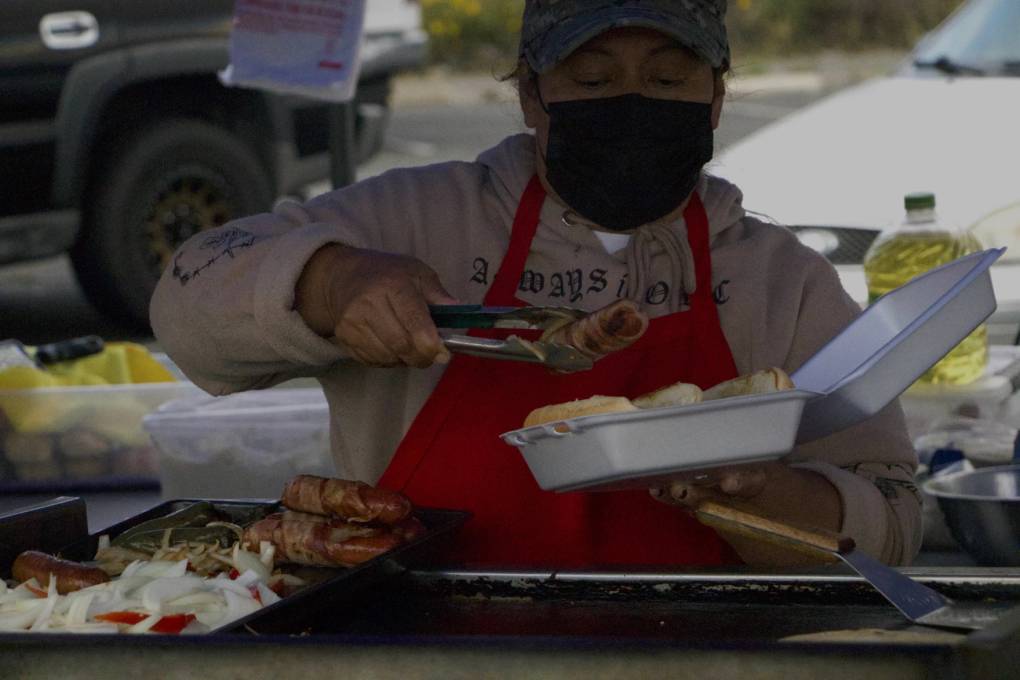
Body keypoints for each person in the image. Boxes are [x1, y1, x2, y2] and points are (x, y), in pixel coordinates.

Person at [151, 0, 921, 568]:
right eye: (591, 77)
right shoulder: (409, 219)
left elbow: (891, 527)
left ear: (715, 98)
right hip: (421, 649)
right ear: (529, 95)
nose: (630, 102)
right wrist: (329, 280)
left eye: (666, 77)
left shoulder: (779, 280)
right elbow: (186, 307)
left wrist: (756, 495)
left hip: (707, 652)